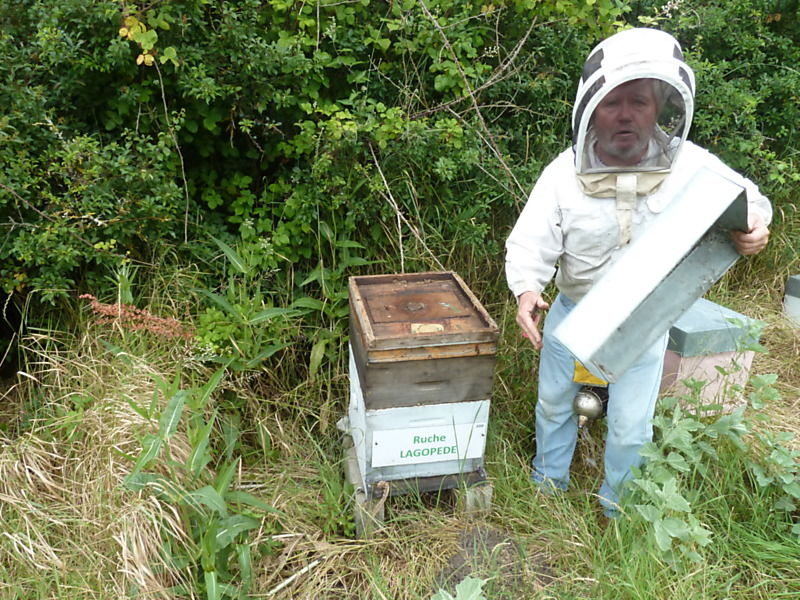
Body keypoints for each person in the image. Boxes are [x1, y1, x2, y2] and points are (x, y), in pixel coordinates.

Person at [504, 28, 771, 517]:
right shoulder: (563, 173)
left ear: (661, 107)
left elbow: (749, 201)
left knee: (631, 423)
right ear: (592, 110)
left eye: (640, 102)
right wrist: (526, 290)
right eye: (613, 103)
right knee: (553, 404)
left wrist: (753, 228)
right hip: (573, 310)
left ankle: (618, 508)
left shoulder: (688, 163)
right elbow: (530, 242)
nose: (626, 115)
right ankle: (548, 486)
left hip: (643, 320)